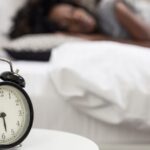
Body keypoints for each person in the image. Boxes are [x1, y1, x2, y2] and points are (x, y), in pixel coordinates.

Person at [9, 0, 150, 47]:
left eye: (72, 10)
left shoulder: (110, 7)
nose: (78, 18)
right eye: (67, 24)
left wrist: (101, 40)